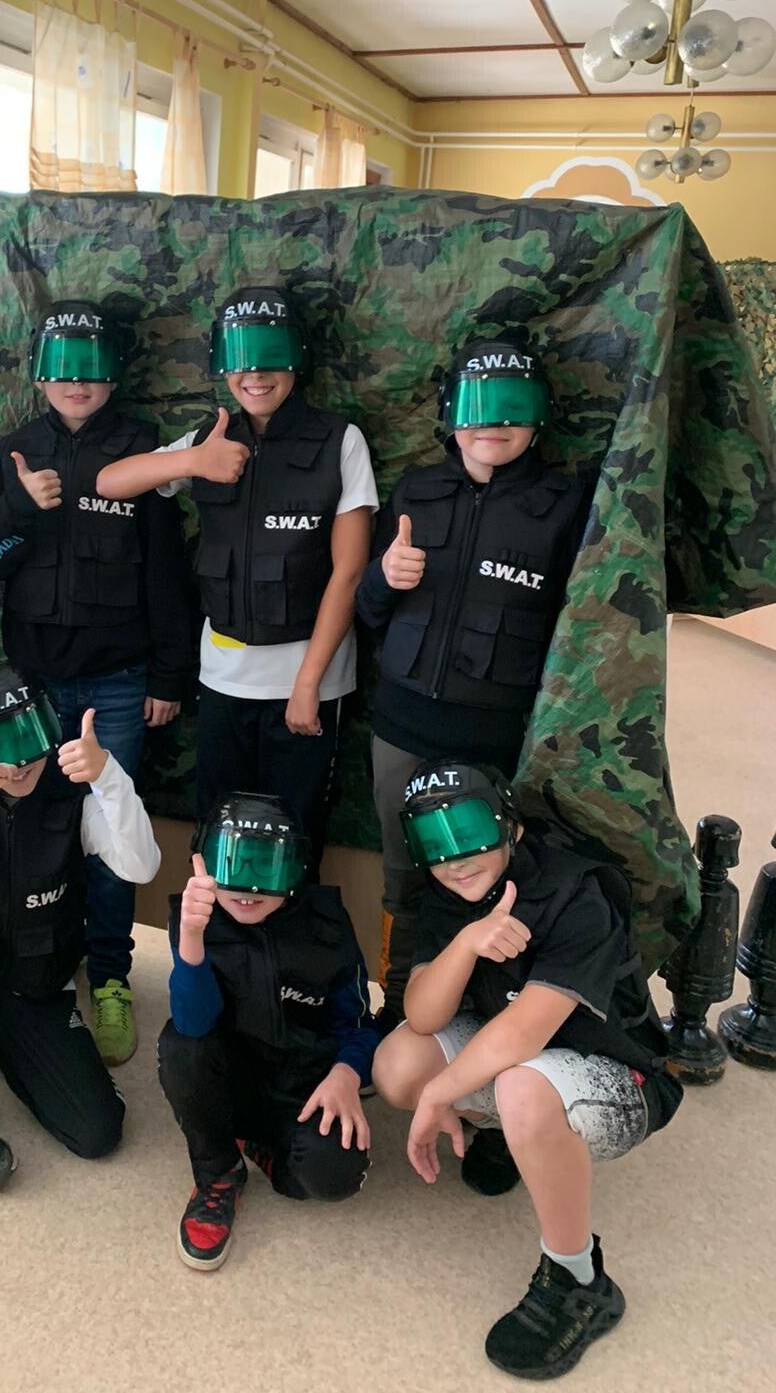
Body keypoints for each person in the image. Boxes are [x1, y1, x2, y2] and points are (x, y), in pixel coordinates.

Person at [372, 760, 683, 1380]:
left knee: (520, 1087)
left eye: (469, 831)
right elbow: (422, 1014)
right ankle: (511, 1138)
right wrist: (466, 942)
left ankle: (578, 1278)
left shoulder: (576, 892)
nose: (455, 858)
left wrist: (442, 1094)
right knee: (399, 1064)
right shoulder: (448, 892)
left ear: (509, 824)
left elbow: (524, 1032)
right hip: (525, 1063)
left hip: (618, 1074)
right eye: (433, 842)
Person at [0, 301, 194, 1065]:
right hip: (31, 684)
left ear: (114, 374)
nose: (77, 382)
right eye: (62, 368)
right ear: (40, 374)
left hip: (118, 685)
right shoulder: (14, 451)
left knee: (110, 834)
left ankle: (109, 977)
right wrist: (22, 512)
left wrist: (169, 674)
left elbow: (167, 572)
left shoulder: (141, 449)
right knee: (30, 825)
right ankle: (38, 956)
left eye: (92, 367)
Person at [97, 286, 377, 871]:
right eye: (240, 360)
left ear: (297, 359)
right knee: (217, 832)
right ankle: (213, 931)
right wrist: (191, 461)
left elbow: (349, 571)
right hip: (225, 679)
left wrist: (308, 683)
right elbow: (109, 482)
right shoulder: (210, 438)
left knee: (295, 836)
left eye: (271, 358)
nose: (255, 375)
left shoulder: (340, 440)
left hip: (308, 683)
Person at [355, 337, 589, 1024]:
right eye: (477, 407)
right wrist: (384, 577)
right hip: (402, 728)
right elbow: (366, 610)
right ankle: (400, 1005)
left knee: (494, 874)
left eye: (512, 406)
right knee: (404, 874)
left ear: (539, 417)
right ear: (451, 415)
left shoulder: (565, 506)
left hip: (497, 738)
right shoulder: (416, 492)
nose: (493, 423)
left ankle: (488, 1014)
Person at [0, 665, 161, 1188]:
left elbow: (141, 866)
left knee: (98, 1131)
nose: (16, 764)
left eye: (26, 738)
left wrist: (109, 776)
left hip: (33, 975)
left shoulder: (73, 793)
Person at [158, 793, 377, 1272]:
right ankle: (219, 1172)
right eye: (233, 863)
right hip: (228, 1078)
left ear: (297, 868)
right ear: (203, 861)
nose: (248, 886)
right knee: (180, 1046)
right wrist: (191, 938)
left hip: (302, 1085)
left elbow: (359, 1023)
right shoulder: (197, 917)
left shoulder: (328, 927)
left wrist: (346, 1073)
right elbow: (193, 1025)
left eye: (268, 866)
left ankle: (262, 1147)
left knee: (334, 1177)